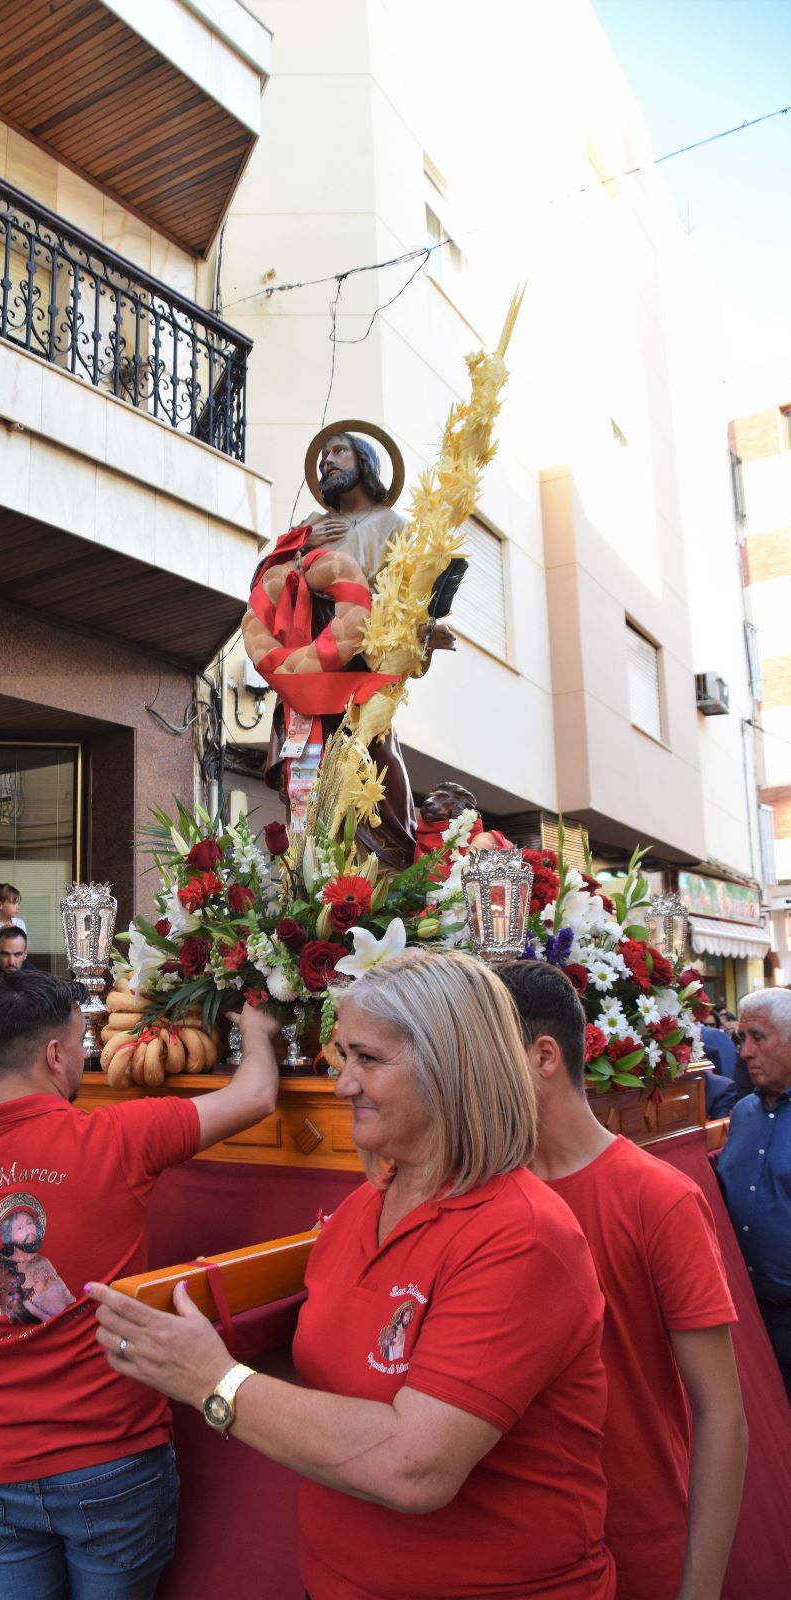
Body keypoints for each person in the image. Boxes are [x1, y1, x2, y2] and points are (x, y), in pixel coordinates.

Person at [87, 950, 616, 1600]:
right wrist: (191, 1338)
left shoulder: (521, 1235)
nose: (342, 1086)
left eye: (367, 1060)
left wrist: (212, 1379)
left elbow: (414, 1467)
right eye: (343, 1059)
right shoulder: (361, 1210)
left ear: (449, 1067)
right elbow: (329, 1379)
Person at [0, 966, 280, 1599]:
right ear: (54, 1054)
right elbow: (257, 1095)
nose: (81, 1058)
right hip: (112, 1462)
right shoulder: (116, 1138)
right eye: (79, 1045)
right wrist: (259, 1031)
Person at [498, 960, 746, 1600]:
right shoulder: (486, 1195)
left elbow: (721, 1412)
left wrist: (700, 1590)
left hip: (639, 1544)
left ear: (543, 1057)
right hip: (517, 1555)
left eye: (480, 1050)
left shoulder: (657, 1197)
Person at [248, 428, 460, 870]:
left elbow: (409, 600)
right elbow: (263, 591)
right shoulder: (308, 526)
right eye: (324, 454)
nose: (328, 461)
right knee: (306, 769)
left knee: (376, 767)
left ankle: (384, 872)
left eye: (339, 451)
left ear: (365, 462)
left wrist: (425, 633)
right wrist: (301, 545)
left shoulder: (394, 527)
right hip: (307, 670)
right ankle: (309, 878)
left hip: (362, 667)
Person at [718, 987, 791, 1400]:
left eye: (757, 1038)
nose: (744, 1053)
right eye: (741, 1039)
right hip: (748, 1319)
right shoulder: (744, 1112)